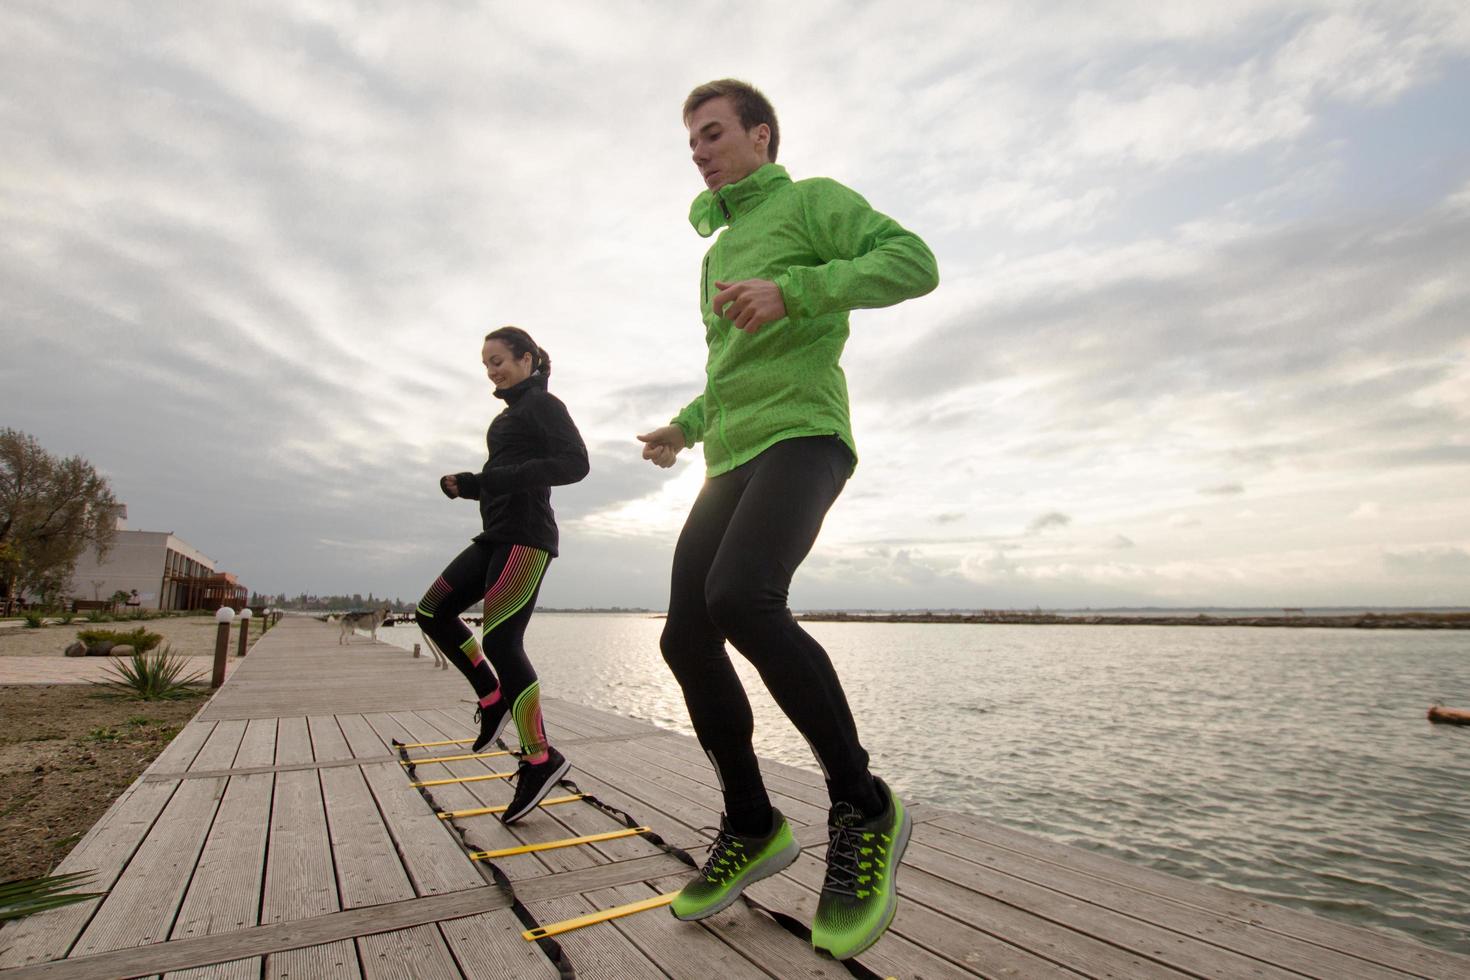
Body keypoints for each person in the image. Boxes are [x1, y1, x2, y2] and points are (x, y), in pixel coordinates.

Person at [637, 79, 939, 959]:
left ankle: (864, 803)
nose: (699, 149)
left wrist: (796, 292)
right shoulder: (717, 252)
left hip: (805, 435)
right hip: (729, 457)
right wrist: (684, 429)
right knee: (684, 639)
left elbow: (914, 261)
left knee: (741, 597)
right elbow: (730, 364)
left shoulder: (813, 203)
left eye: (714, 132)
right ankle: (753, 821)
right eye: (691, 139)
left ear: (760, 137)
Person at [416, 326, 589, 825]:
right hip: (496, 534)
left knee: (503, 642)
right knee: (432, 611)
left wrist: (487, 479)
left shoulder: (542, 405)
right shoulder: (510, 415)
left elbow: (575, 464)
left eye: (500, 360)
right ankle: (492, 698)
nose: (493, 370)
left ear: (527, 358)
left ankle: (540, 757)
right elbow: (507, 476)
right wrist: (469, 486)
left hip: (527, 538)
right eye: (487, 364)